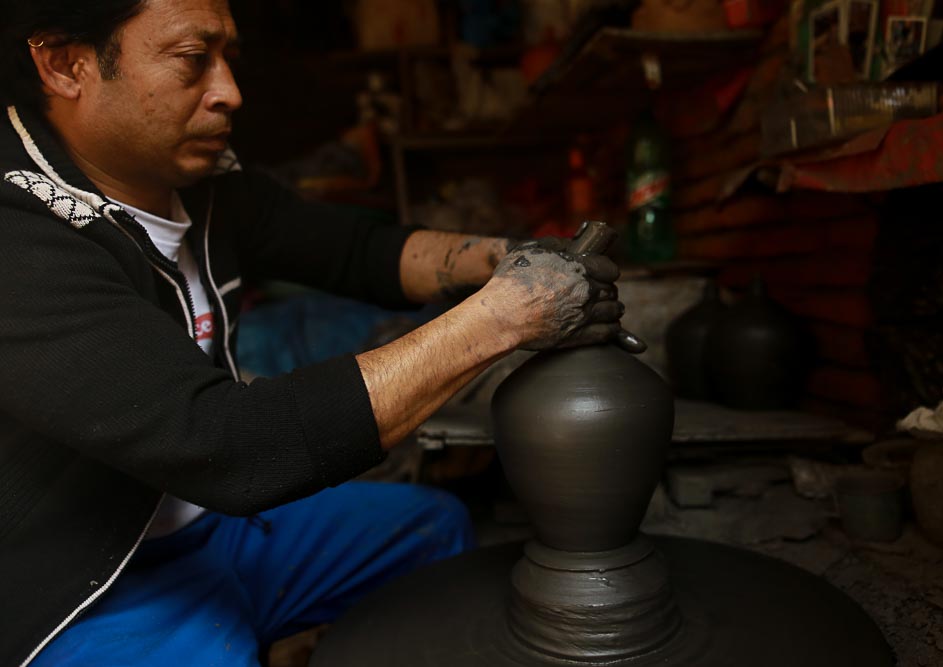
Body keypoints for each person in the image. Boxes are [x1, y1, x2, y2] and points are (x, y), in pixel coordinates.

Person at [0, 1, 630, 665]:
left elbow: (355, 250)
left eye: (228, 59)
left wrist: (508, 259)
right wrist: (503, 317)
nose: (229, 92)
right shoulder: (18, 236)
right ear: (65, 65)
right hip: (84, 579)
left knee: (430, 529)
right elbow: (228, 446)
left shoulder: (196, 182)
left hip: (212, 525)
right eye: (192, 60)